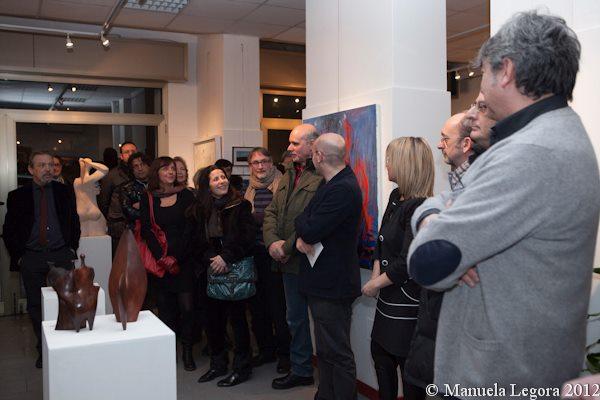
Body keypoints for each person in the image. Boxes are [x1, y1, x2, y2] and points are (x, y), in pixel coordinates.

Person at [408, 11, 600, 392]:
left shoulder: (532, 152)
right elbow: (444, 201)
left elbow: (426, 261)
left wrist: (440, 226)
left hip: (499, 376)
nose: (481, 84)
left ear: (506, 71)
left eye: (484, 71)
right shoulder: (544, 136)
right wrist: (435, 219)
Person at [361, 137, 434, 400]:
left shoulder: (420, 207)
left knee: (410, 375)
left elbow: (408, 262)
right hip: (387, 296)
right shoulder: (396, 197)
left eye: (390, 159)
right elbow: (381, 243)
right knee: (381, 357)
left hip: (408, 302)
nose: (387, 164)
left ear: (405, 164)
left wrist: (374, 284)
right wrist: (375, 275)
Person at [294, 133, 362, 400]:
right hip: (323, 283)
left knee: (337, 352)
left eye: (313, 152)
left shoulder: (342, 188)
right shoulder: (330, 183)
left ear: (319, 156)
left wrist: (304, 232)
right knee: (325, 350)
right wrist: (304, 230)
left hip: (333, 285)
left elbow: (308, 227)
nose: (311, 156)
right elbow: (303, 218)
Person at [2, 151, 80, 368]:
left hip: (61, 255)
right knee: (36, 306)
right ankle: (43, 349)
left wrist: (71, 248)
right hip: (32, 257)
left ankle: (65, 347)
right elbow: (9, 230)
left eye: (50, 165)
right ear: (31, 169)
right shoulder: (17, 196)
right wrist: (20, 257)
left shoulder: (64, 192)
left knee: (66, 302)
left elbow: (73, 221)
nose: (48, 169)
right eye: (42, 165)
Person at [263, 123, 322, 390]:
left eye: (295, 143)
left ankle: (317, 374)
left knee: (320, 321)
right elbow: (272, 212)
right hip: (287, 262)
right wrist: (272, 243)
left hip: (310, 261)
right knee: (295, 318)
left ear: (312, 144)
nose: (289, 148)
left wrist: (284, 249)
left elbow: (312, 221)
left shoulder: (322, 177)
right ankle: (301, 369)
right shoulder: (288, 174)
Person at [191, 166, 256, 387]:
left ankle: (241, 368)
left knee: (238, 322)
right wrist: (213, 259)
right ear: (206, 186)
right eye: (215, 179)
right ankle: (218, 365)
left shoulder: (241, 205)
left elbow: (247, 238)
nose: (221, 181)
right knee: (213, 322)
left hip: (234, 269)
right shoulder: (200, 209)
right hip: (209, 271)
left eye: (223, 177)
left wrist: (225, 257)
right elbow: (196, 241)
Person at [139, 157, 196, 371]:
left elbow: (191, 229)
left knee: (187, 308)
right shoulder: (148, 197)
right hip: (161, 263)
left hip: (184, 260)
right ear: (157, 173)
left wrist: (176, 257)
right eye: (165, 169)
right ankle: (168, 350)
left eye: (173, 169)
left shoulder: (186, 195)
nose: (171, 172)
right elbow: (147, 230)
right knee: (165, 309)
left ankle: (187, 351)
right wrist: (161, 257)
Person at [244, 147, 291, 373]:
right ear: (250, 166)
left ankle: (285, 355)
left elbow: (284, 219)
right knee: (257, 307)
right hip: (254, 255)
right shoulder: (247, 190)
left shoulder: (284, 186)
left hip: (277, 255)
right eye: (256, 163)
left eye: (264, 161)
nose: (260, 166)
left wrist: (255, 219)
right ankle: (266, 350)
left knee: (278, 308)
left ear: (271, 163)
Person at [99, 141, 137, 217]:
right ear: (121, 156)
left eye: (133, 151)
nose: (131, 154)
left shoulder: (143, 172)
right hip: (119, 220)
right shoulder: (111, 175)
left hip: (139, 218)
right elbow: (104, 202)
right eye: (127, 152)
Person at [73, 158, 109, 237]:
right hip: (92, 211)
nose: (99, 187)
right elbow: (105, 169)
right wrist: (90, 165)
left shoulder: (76, 183)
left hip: (82, 212)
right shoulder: (88, 181)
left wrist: (85, 167)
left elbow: (85, 180)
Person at [436, 112, 471, 190]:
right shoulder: (463, 180)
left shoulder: (474, 183)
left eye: (445, 139)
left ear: (465, 144)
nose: (439, 145)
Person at [117, 152, 152, 229]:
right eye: (136, 166)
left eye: (142, 164)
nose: (140, 168)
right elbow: (129, 212)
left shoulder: (158, 184)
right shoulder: (126, 188)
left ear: (149, 166)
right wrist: (151, 213)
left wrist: (141, 205)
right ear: (132, 170)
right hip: (136, 229)